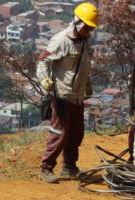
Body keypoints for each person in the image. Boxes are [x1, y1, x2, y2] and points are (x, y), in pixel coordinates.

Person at [36, 2, 98, 183]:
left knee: (76, 133)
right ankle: (45, 169)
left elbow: (83, 66)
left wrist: (87, 84)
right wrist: (45, 80)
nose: (89, 30)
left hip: (77, 96)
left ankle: (69, 167)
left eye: (91, 27)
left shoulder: (84, 42)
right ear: (77, 22)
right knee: (59, 132)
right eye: (87, 26)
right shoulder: (61, 40)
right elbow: (43, 61)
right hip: (62, 94)